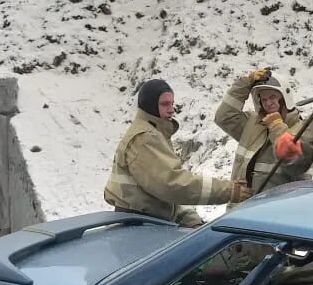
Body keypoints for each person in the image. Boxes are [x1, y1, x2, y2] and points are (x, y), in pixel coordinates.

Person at [104, 78, 250, 226]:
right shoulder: (144, 138)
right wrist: (229, 191)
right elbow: (172, 184)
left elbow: (166, 198)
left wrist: (192, 222)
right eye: (165, 104)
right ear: (150, 105)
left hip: (147, 220)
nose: (172, 109)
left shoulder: (156, 131)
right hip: (138, 225)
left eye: (172, 103)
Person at [214, 66, 309, 196]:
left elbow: (297, 164)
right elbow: (224, 117)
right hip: (240, 206)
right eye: (263, 99)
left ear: (285, 97)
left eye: (272, 97)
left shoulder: (302, 129)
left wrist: (277, 127)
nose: (268, 103)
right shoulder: (253, 123)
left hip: (273, 210)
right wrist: (245, 84)